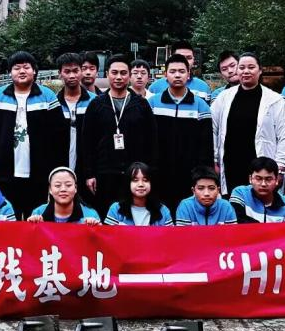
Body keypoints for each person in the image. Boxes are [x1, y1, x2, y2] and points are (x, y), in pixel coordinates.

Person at [0, 51, 66, 217]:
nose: (22, 71)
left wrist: (55, 168)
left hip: (38, 174)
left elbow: (59, 135)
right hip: (5, 173)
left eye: (26, 67)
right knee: (6, 218)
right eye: (17, 68)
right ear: (10, 72)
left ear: (34, 70)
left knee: (35, 220)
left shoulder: (47, 96)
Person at [79, 54, 157, 213]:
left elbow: (152, 140)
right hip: (104, 173)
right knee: (106, 216)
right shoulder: (96, 104)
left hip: (135, 174)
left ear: (129, 75)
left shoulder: (141, 104)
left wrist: (149, 172)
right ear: (107, 74)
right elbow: (87, 142)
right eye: (114, 73)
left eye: (123, 73)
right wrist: (89, 174)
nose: (119, 77)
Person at [211, 53, 285, 194]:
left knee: (262, 204)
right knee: (234, 203)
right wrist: (214, 160)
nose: (246, 71)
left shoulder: (274, 100)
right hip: (231, 165)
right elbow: (212, 129)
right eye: (242, 67)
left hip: (263, 168)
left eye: (251, 67)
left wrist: (280, 166)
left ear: (260, 70)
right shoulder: (224, 98)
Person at [148, 53, 214, 209]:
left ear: (188, 74)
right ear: (165, 75)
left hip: (189, 175)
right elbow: (146, 140)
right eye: (172, 71)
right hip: (159, 174)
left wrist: (203, 174)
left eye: (182, 71)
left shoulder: (201, 106)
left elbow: (206, 146)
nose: (177, 75)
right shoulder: (152, 103)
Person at [55, 52, 95, 171]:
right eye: (67, 71)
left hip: (87, 168)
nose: (72, 76)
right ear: (59, 73)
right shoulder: (53, 103)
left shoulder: (94, 101)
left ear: (81, 71)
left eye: (75, 71)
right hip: (60, 168)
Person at [229, 156, 285, 223]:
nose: (263, 184)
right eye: (258, 179)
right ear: (250, 179)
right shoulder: (240, 193)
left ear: (277, 180)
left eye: (268, 179)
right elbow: (236, 221)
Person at [104, 162, 173, 226]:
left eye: (145, 180)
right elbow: (107, 234)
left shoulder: (163, 211)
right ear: (128, 183)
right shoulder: (116, 209)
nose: (141, 184)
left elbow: (171, 235)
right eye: (135, 180)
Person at [27, 167, 101, 224]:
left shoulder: (91, 214)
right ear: (50, 189)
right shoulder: (38, 213)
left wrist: (96, 227)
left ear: (75, 188)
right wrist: (32, 225)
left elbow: (100, 238)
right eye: (57, 185)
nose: (63, 189)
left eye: (68, 185)